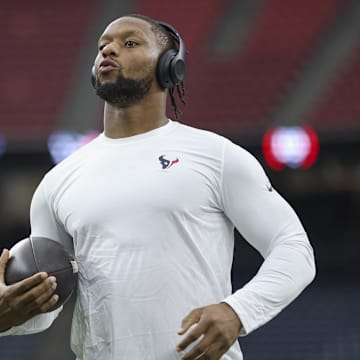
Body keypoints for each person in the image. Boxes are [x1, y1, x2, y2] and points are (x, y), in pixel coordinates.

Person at [0, 14, 316, 360]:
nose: (109, 50)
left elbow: (293, 249)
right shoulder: (57, 182)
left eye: (129, 43)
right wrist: (10, 315)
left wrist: (237, 311)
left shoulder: (217, 156)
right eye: (102, 45)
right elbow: (48, 303)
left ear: (170, 66)